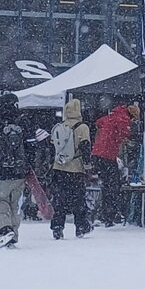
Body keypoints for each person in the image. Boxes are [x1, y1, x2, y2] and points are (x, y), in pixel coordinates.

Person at [0, 101, 31, 248]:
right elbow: (32, 147)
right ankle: (13, 234)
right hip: (20, 173)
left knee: (0, 201)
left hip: (1, 173)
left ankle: (4, 230)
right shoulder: (24, 123)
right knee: (15, 204)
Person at [49, 97, 91, 239]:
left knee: (59, 199)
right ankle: (81, 226)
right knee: (78, 199)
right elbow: (85, 147)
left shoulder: (60, 126)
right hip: (75, 168)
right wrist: (87, 165)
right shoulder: (83, 127)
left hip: (59, 167)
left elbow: (53, 147)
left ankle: (57, 226)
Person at [89, 98, 136, 226]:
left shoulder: (111, 116)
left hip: (97, 153)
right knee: (113, 186)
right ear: (131, 116)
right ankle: (108, 215)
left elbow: (98, 123)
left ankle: (100, 214)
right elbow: (127, 133)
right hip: (108, 155)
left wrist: (106, 134)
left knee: (105, 184)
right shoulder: (124, 119)